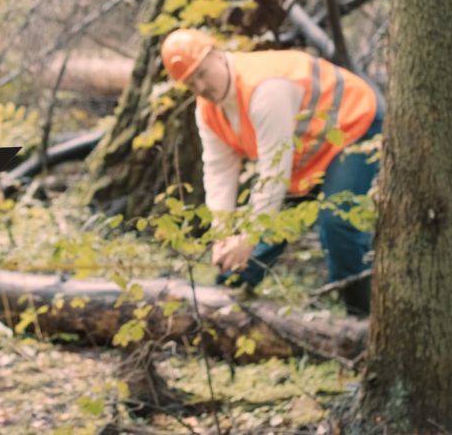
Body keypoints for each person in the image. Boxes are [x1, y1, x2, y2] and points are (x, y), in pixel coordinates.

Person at [160, 28, 383, 315]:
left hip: (353, 125)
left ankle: (359, 317)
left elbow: (273, 174)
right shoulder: (207, 110)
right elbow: (218, 171)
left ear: (217, 55)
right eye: (191, 84)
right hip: (305, 152)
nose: (201, 87)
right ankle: (229, 295)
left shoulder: (265, 88)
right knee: (258, 239)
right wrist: (223, 235)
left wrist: (248, 237)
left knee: (337, 220)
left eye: (202, 74)